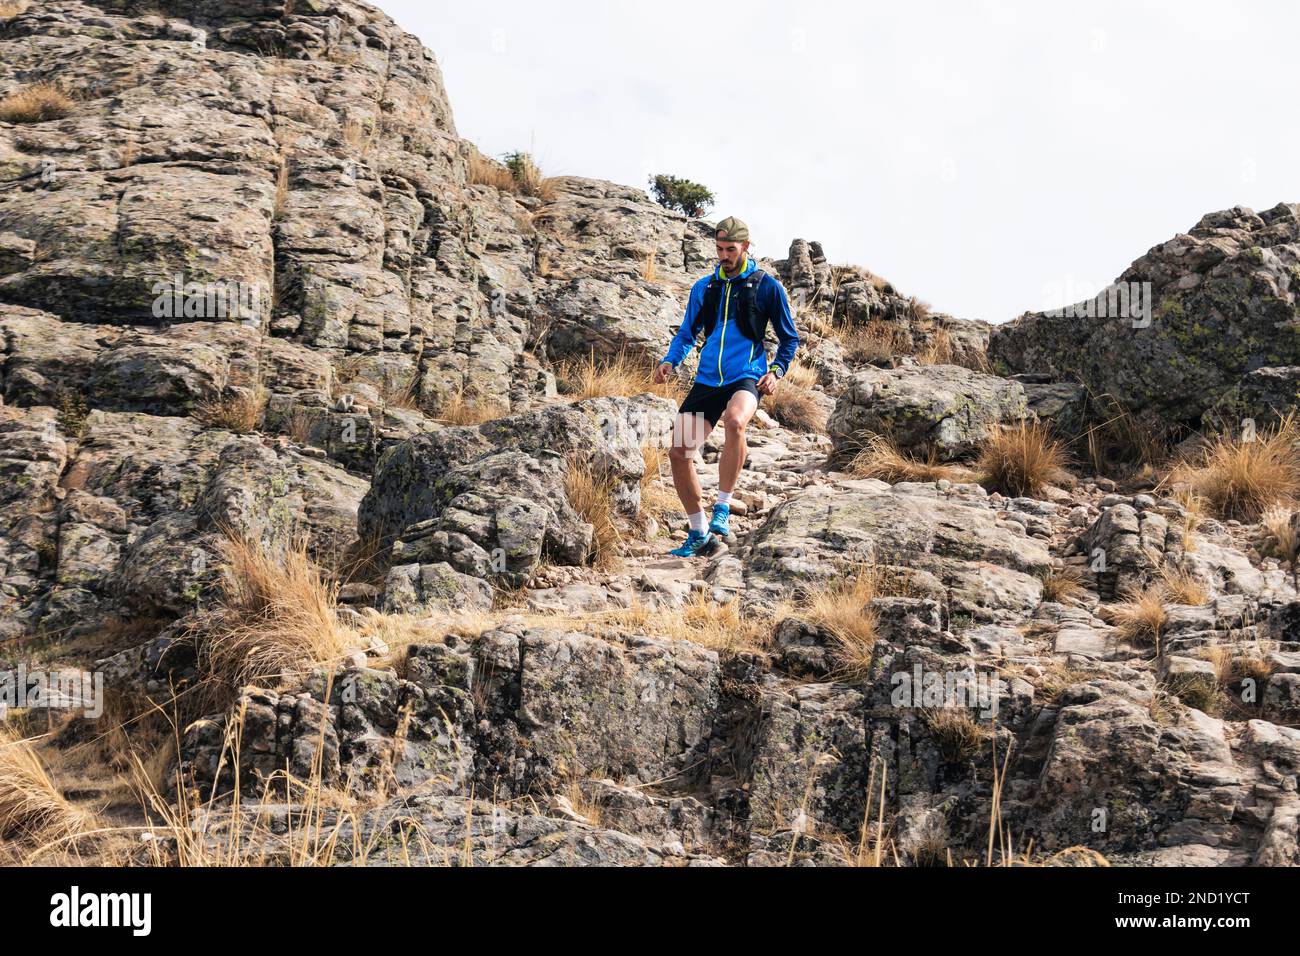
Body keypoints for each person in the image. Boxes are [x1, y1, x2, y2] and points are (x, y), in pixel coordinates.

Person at [652, 216, 800, 558]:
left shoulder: (766, 286)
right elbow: (687, 333)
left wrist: (776, 371)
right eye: (719, 249)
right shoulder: (704, 287)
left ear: (745, 247)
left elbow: (789, 338)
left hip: (746, 374)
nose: (723, 256)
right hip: (707, 379)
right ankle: (700, 531)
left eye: (730, 249)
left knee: (735, 422)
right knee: (679, 452)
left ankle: (722, 506)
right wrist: (671, 360)